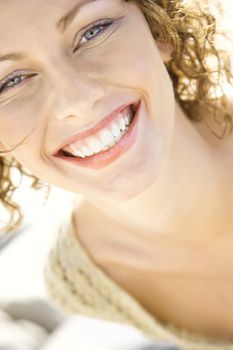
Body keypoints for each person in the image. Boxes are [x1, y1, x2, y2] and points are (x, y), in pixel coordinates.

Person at [0, 0, 233, 349]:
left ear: (158, 27)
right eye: (11, 81)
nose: (77, 101)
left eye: (93, 31)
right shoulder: (85, 281)